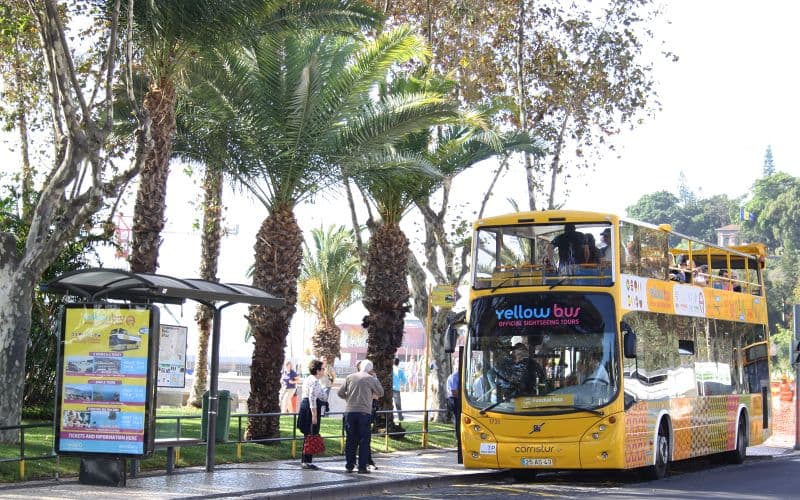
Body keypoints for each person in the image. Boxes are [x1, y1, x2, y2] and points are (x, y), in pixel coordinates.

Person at [338, 359, 384, 473]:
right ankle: (362, 467)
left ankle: (349, 465)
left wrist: (349, 398)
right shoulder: (371, 379)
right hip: (364, 412)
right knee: (364, 440)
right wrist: (376, 379)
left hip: (350, 412)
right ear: (370, 369)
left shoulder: (350, 377)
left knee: (350, 439)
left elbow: (340, 393)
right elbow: (381, 393)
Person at [296, 359, 328, 469]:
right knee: (310, 434)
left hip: (306, 407)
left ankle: (305, 460)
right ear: (318, 370)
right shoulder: (314, 381)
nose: (324, 371)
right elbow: (312, 398)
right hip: (310, 409)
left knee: (308, 435)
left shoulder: (309, 379)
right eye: (323, 369)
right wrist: (314, 414)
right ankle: (306, 461)